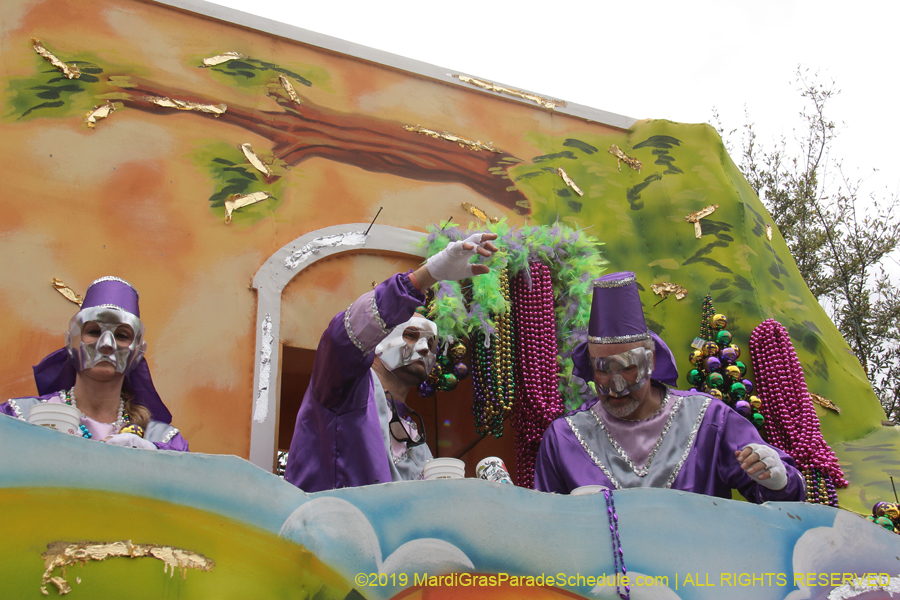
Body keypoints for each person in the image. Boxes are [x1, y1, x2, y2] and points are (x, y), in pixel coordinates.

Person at [534, 271, 805, 502]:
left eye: (628, 368)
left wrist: (778, 482)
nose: (615, 387)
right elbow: (546, 533)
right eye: (602, 370)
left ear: (650, 361)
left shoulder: (709, 420)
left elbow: (784, 504)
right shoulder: (565, 437)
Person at [285, 232, 498, 492]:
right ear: (380, 338)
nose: (423, 348)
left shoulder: (418, 441)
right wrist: (428, 274)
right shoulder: (344, 388)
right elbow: (340, 339)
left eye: (432, 345)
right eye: (410, 335)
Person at [1, 276, 188, 451]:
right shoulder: (18, 417)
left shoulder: (163, 440)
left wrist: (157, 459)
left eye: (122, 335)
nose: (106, 345)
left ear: (138, 353)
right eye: (94, 332)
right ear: (70, 342)